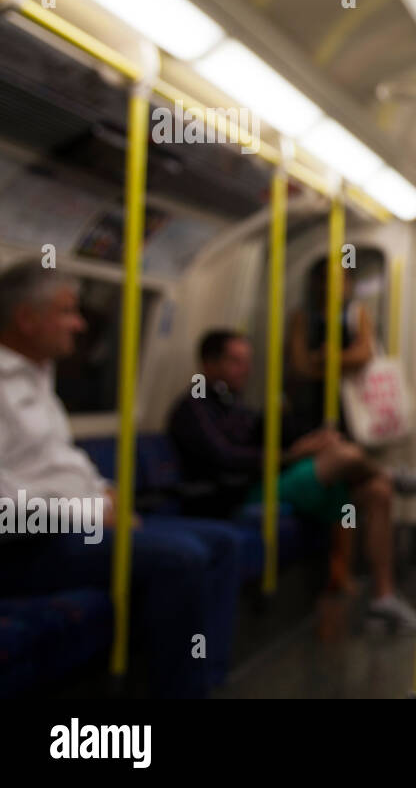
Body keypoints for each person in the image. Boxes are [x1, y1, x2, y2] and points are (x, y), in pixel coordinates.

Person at [0, 259, 240, 697]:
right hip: (33, 546)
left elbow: (58, 460)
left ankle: (207, 680)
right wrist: (90, 512)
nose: (78, 325)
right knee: (180, 558)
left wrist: (103, 491)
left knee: (223, 542)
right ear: (26, 318)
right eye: (67, 311)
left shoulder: (38, 377)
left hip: (84, 525)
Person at [166, 329, 416, 633]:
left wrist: (308, 442)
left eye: (247, 361)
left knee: (378, 492)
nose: (244, 369)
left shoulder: (233, 404)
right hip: (243, 494)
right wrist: (293, 455)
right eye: (235, 362)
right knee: (346, 457)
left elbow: (268, 435)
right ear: (210, 365)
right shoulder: (193, 409)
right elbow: (228, 459)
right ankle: (389, 472)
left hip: (274, 480)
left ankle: (384, 598)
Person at [287, 257, 374, 434]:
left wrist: (326, 358)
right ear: (320, 282)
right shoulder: (303, 317)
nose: (341, 285)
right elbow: (300, 366)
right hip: (312, 400)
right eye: (333, 279)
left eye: (344, 278)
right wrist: (344, 364)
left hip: (351, 400)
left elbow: (365, 354)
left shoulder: (356, 313)